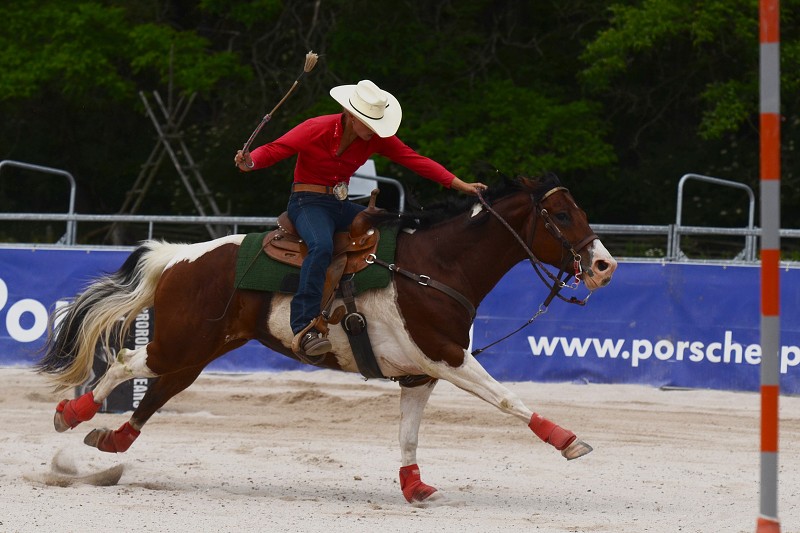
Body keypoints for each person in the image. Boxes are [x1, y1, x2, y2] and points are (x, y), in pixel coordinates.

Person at [234, 79, 487, 357]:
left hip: (340, 204)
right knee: (320, 247)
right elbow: (275, 149)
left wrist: (458, 184)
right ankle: (304, 325)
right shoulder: (315, 128)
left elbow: (414, 159)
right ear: (351, 116)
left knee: (395, 225)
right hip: (307, 202)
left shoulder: (375, 137)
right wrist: (252, 160)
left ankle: (384, 309)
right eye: (369, 122)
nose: (374, 130)